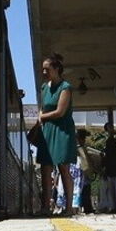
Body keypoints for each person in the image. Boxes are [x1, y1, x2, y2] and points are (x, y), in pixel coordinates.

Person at [35, 53, 78, 215]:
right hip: (47, 130)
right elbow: (43, 107)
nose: (44, 72)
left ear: (57, 69)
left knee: (63, 167)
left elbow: (60, 112)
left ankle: (68, 208)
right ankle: (46, 207)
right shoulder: (44, 87)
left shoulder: (65, 87)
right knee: (45, 168)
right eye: (43, 70)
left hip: (62, 130)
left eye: (47, 69)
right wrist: (41, 115)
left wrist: (41, 117)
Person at [76, 129, 95, 214]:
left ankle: (86, 207)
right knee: (85, 191)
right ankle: (86, 208)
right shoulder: (80, 148)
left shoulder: (80, 147)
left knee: (85, 191)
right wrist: (89, 172)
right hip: (83, 173)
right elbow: (85, 162)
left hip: (83, 173)